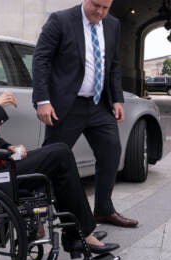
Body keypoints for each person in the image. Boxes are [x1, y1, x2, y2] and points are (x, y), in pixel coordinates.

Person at [0, 47, 119, 260]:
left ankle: (77, 232)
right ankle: (81, 234)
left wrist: (9, 148)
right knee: (60, 153)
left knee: (57, 160)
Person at [32, 0, 138, 228]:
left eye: (105, 8)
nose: (100, 12)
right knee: (51, 160)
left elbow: (114, 63)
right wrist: (43, 100)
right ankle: (37, 214)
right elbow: (41, 59)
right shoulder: (60, 20)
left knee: (111, 153)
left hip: (99, 105)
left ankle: (103, 210)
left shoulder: (113, 25)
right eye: (96, 5)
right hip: (66, 107)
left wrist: (117, 98)